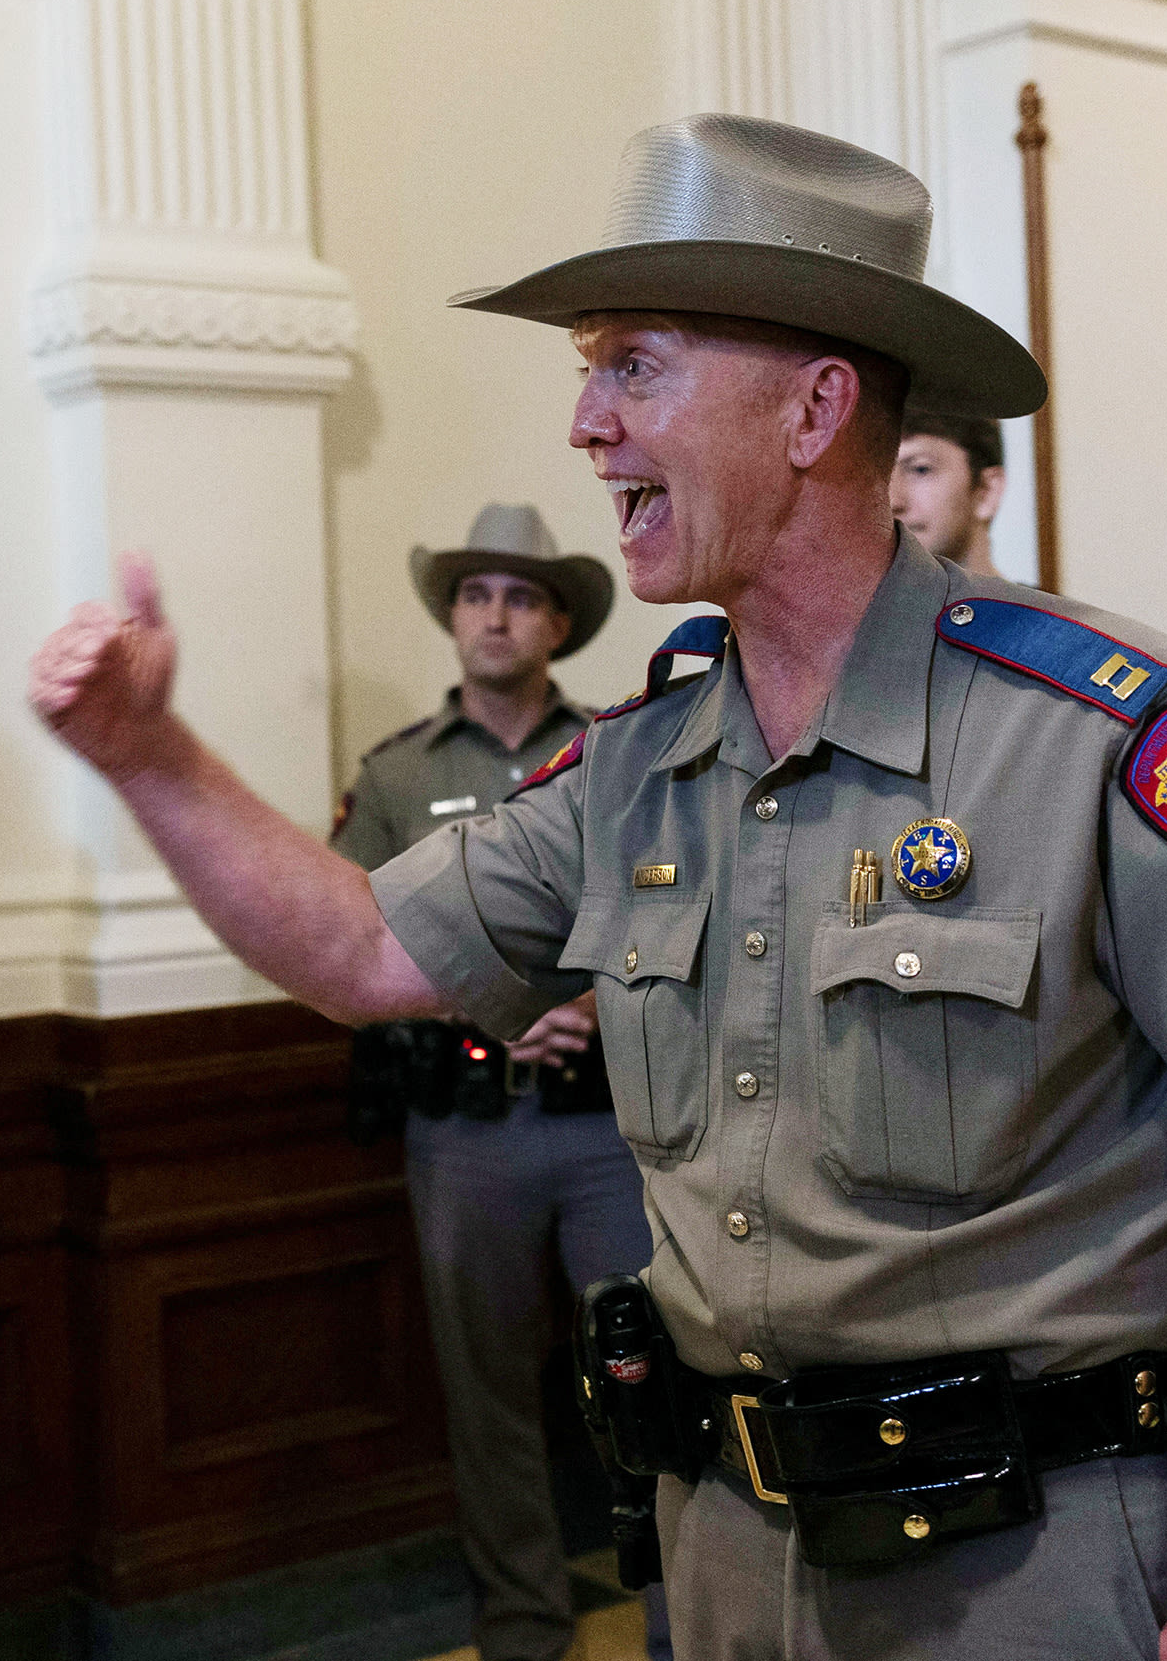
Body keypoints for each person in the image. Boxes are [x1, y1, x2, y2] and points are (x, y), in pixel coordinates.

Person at [29, 114, 1167, 1659]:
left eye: (630, 362)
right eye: (586, 368)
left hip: (1031, 1572)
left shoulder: (1102, 732)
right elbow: (361, 950)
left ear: (811, 408)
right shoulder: (640, 757)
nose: (583, 422)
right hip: (716, 1561)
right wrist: (147, 758)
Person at [332, 504, 670, 1661]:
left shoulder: (628, 748)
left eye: (521, 596)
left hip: (609, 1128)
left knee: (650, 1371)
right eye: (478, 593)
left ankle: (684, 1618)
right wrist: (494, 1016)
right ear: (453, 616)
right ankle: (526, 1626)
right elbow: (352, 944)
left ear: (559, 621)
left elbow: (671, 915)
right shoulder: (393, 775)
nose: (496, 614)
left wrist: (589, 1002)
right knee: (487, 1397)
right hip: (467, 1128)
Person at [890, 408, 1006, 577]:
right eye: (878, 475)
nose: (891, 500)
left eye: (920, 469)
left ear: (986, 491)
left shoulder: (1045, 604)